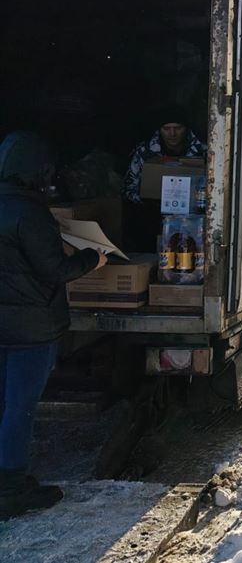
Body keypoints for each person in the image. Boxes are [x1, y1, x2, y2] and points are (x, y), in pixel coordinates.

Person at [0, 132, 106, 519]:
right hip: (31, 329)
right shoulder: (31, 213)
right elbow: (54, 270)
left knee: (2, 403)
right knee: (20, 407)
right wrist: (91, 259)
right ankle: (10, 486)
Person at [122, 112, 207, 205]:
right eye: (166, 128)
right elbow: (128, 188)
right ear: (159, 129)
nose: (172, 134)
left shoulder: (204, 151)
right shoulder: (145, 152)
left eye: (178, 128)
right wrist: (151, 199)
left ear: (186, 128)